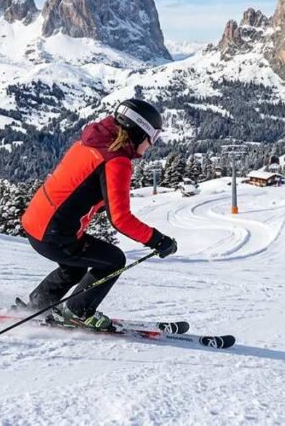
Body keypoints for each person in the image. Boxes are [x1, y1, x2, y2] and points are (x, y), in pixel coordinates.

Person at [20, 98, 178, 330]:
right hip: (53, 234)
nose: (151, 144)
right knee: (113, 260)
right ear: (138, 132)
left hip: (37, 221)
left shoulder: (92, 142)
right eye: (152, 137)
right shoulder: (116, 160)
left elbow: (79, 184)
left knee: (74, 265)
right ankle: (75, 312)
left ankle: (39, 304)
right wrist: (158, 240)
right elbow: (121, 219)